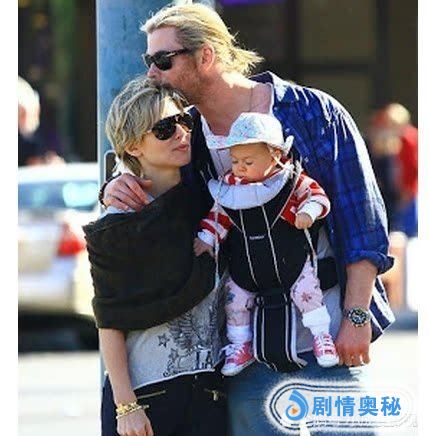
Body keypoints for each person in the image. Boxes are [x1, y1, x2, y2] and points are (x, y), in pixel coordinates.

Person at [100, 4, 395, 434]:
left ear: (205, 56)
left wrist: (356, 316)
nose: (152, 73)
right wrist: (116, 184)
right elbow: (154, 180)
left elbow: (362, 221)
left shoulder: (311, 112)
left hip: (328, 338)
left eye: (163, 60)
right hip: (245, 352)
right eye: (149, 60)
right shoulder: (186, 138)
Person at [83, 77, 227, 436]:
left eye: (184, 121)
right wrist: (126, 407)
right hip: (147, 398)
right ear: (133, 146)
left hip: (209, 394)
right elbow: (109, 319)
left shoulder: (208, 202)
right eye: (164, 128)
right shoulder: (120, 223)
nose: (181, 133)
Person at [193, 112, 339, 376]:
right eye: (235, 160)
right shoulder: (230, 188)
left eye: (248, 161)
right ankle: (240, 345)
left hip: (290, 261)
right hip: (247, 266)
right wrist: (206, 239)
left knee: (307, 291)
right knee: (235, 299)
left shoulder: (290, 180)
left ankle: (321, 335)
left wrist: (309, 211)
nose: (240, 167)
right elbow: (219, 216)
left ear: (275, 155)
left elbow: (316, 195)